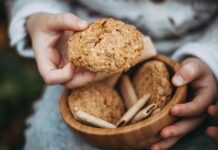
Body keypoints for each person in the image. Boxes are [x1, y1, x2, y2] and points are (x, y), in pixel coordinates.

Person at [7, 0, 218, 149]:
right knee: (48, 137)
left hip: (198, 57)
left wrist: (210, 57)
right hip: (80, 66)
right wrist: (37, 16)